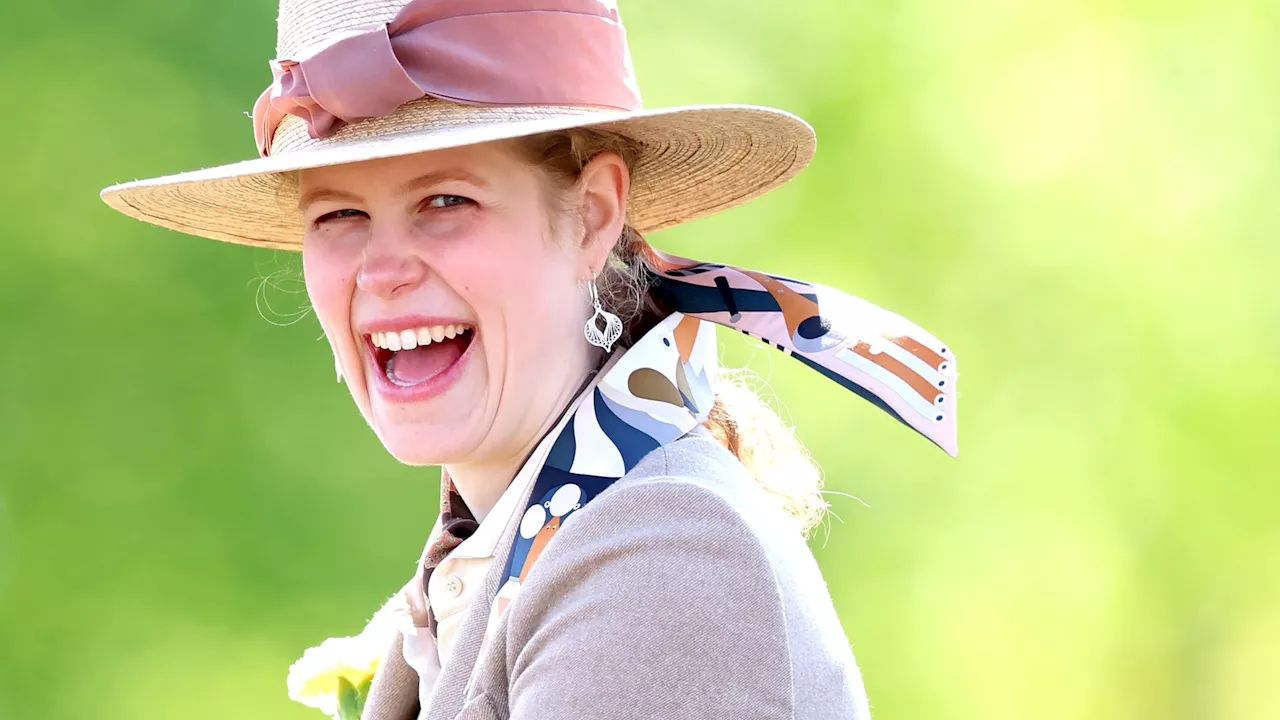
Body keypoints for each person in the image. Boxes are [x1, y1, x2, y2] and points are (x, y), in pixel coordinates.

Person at [100, 1, 958, 717]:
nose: (384, 271)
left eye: (445, 200)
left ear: (590, 217)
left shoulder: (663, 553)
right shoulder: (508, 545)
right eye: (338, 216)